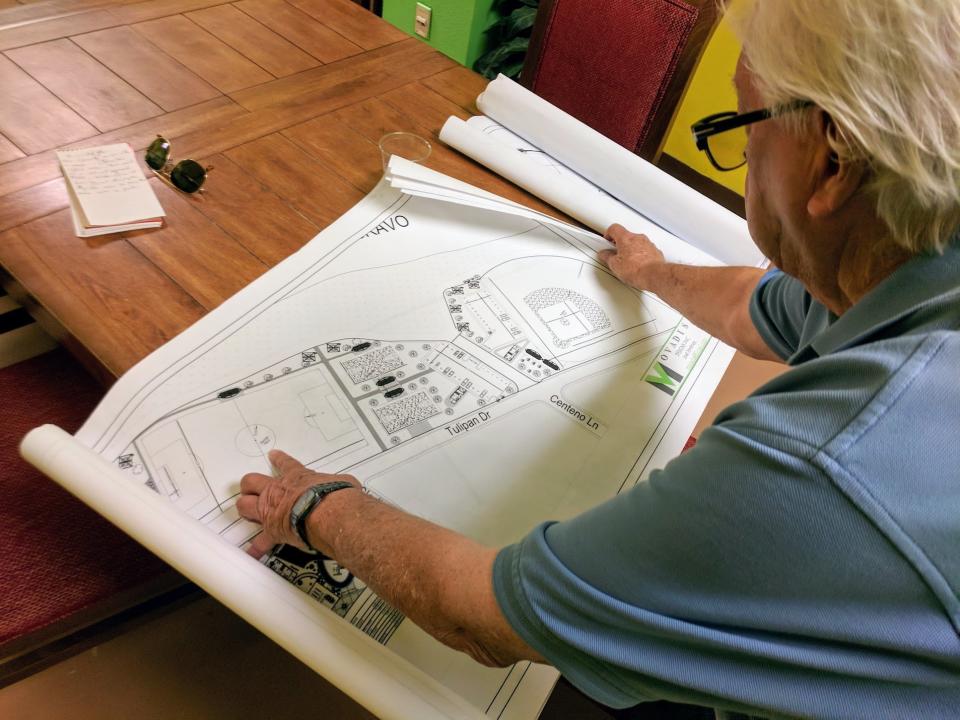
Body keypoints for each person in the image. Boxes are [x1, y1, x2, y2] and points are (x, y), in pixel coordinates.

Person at [237, 1, 960, 716]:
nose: (742, 165)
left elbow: (482, 615)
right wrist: (651, 272)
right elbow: (756, 305)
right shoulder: (910, 252)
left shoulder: (823, 461)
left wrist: (318, 508)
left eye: (738, 128)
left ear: (832, 161)